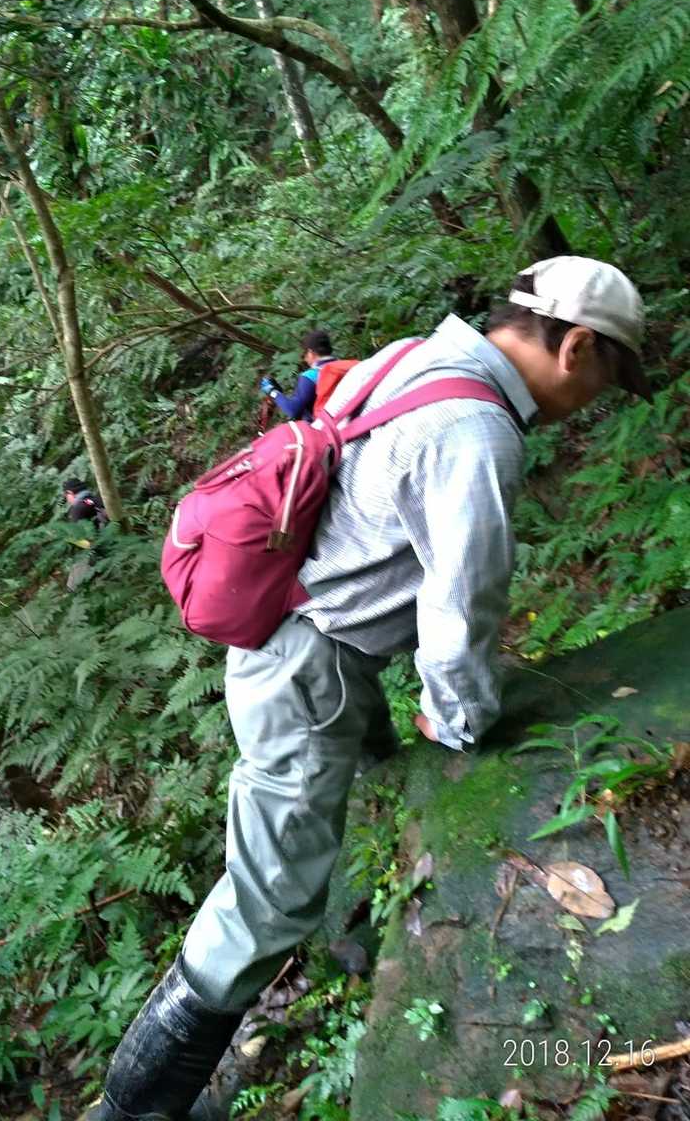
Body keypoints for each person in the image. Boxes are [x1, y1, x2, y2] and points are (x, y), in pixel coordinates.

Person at [86, 257, 651, 1120]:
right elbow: (462, 606)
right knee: (267, 901)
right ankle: (135, 1107)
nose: (598, 399)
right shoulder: (476, 431)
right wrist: (458, 722)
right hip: (308, 667)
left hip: (308, 641)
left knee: (294, 860)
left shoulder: (416, 357)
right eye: (607, 376)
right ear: (576, 347)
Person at [259, 329, 336, 421]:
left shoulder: (310, 376)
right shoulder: (345, 367)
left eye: (304, 355)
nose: (305, 360)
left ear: (311, 353)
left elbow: (293, 410)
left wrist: (273, 392)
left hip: (325, 425)